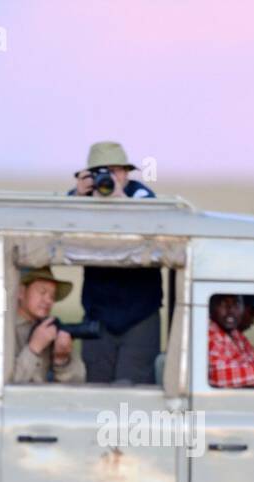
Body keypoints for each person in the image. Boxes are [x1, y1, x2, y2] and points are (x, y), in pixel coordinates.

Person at [67, 141, 161, 384]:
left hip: (140, 313)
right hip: (99, 314)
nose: (112, 177)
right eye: (104, 172)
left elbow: (157, 224)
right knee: (97, 387)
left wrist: (122, 202)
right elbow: (56, 221)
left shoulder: (140, 196)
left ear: (127, 173)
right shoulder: (82, 198)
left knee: (134, 390)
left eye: (118, 170)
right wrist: (78, 197)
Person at [0, 267, 86, 384]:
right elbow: (1, 389)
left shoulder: (51, 330)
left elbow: (76, 386)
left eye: (52, 295)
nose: (48, 300)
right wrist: (34, 348)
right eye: (42, 292)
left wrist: (62, 360)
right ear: (20, 292)